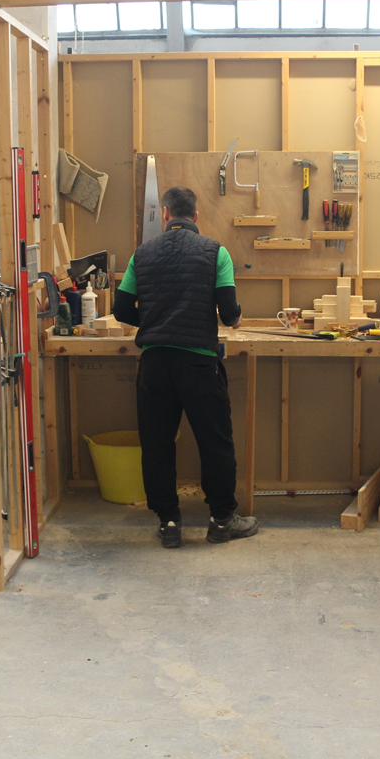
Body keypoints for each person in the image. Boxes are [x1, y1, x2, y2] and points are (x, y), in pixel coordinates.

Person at [113, 186, 258, 549]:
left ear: (165, 214)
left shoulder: (141, 254)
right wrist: (234, 319)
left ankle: (169, 523)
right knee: (215, 443)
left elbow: (121, 310)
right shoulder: (215, 252)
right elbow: (229, 313)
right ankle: (222, 521)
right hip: (198, 364)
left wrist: (153, 319)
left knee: (157, 444)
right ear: (195, 216)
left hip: (155, 365)